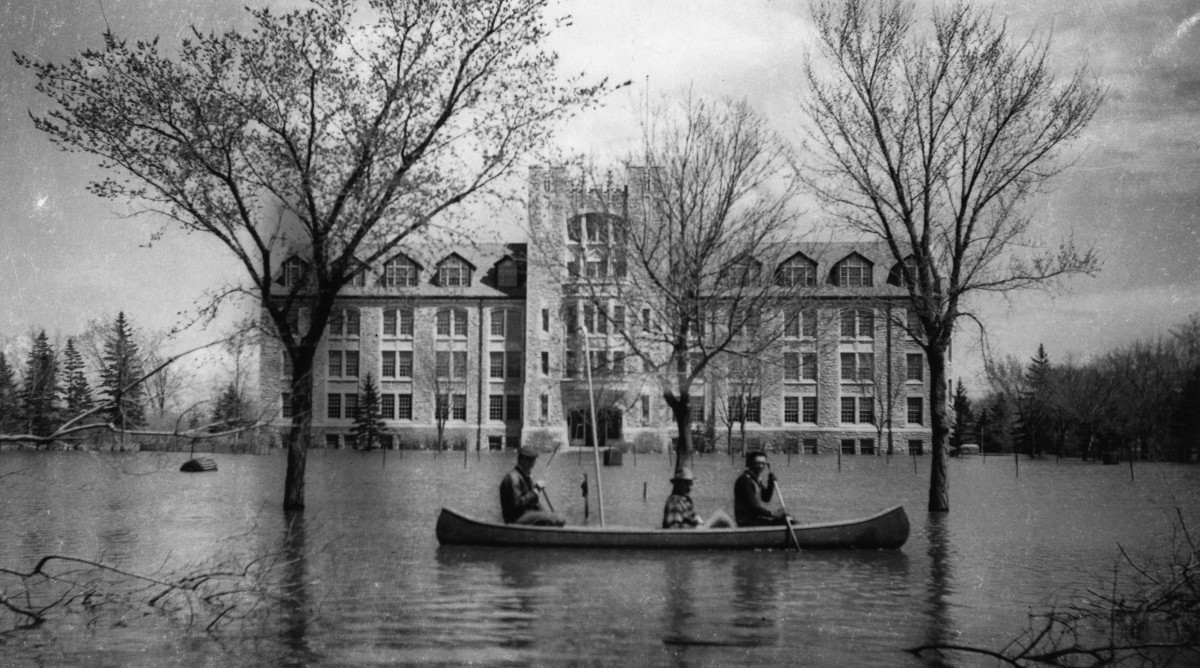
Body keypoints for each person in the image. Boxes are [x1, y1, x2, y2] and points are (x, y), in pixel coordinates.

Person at [499, 446, 566, 526]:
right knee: (559, 519)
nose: (532, 463)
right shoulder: (512, 478)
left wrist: (547, 514)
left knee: (557, 518)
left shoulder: (525, 476)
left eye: (533, 460)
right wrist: (535, 490)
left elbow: (533, 502)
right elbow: (518, 504)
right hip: (516, 518)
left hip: (527, 514)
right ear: (521, 459)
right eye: (530, 460)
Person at [662, 468, 733, 529]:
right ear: (678, 484)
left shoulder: (685, 501)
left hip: (696, 533)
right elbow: (674, 527)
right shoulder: (676, 501)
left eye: (690, 484)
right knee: (721, 517)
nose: (689, 487)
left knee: (720, 516)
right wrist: (694, 527)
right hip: (691, 535)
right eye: (686, 483)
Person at [733, 451, 790, 526]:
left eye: (763, 463)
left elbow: (765, 498)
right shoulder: (745, 481)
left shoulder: (755, 480)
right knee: (784, 521)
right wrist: (773, 514)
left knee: (786, 519)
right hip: (747, 522)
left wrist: (770, 483)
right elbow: (753, 508)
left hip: (755, 519)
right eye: (757, 463)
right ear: (750, 464)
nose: (760, 466)